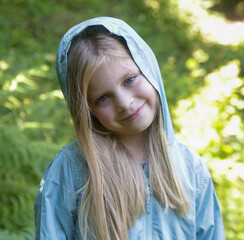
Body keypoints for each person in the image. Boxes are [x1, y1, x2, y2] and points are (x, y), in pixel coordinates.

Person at [34, 16, 225, 240]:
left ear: (148, 70)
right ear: (87, 110)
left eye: (130, 80)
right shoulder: (71, 170)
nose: (124, 103)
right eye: (103, 98)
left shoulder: (190, 169)